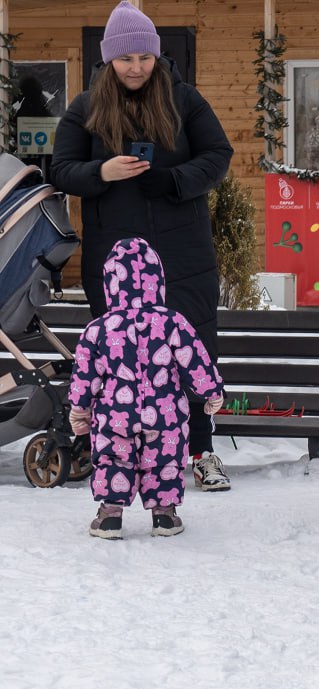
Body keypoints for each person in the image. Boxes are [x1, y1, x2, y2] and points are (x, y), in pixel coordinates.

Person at [51, 1, 234, 492]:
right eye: (126, 58)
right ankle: (122, 454)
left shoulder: (184, 99)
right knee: (120, 356)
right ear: (109, 58)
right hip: (115, 260)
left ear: (156, 56)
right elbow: (60, 170)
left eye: (145, 58)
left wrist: (175, 180)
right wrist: (101, 172)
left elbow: (219, 155)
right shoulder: (86, 107)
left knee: (193, 347)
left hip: (182, 254)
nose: (136, 68)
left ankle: (201, 451)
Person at [67, 237, 223, 539]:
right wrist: (211, 391)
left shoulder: (99, 329)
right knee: (164, 460)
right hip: (165, 412)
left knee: (113, 458)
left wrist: (79, 407)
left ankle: (110, 516)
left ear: (110, 284)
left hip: (115, 413)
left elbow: (86, 373)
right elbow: (194, 359)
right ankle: (164, 515)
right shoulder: (172, 322)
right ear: (157, 281)